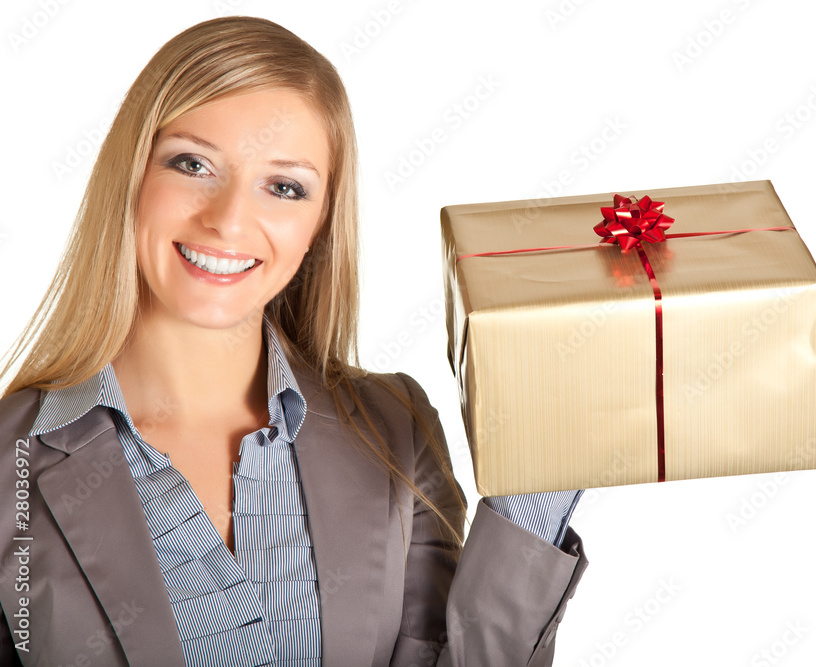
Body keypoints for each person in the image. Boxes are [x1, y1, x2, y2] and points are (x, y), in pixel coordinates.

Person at [0, 15, 586, 666]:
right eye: (192, 163)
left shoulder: (395, 428)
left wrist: (542, 471)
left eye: (284, 187)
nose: (226, 220)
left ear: (319, 226)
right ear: (132, 177)